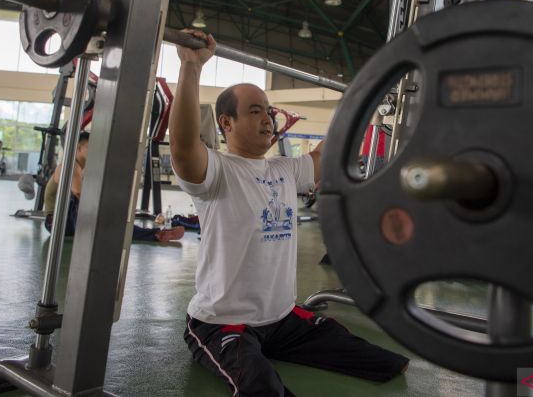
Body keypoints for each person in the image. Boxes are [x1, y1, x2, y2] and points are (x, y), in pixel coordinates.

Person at [171, 30, 409, 396]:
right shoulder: (217, 172)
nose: (267, 119)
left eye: (268, 111)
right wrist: (190, 67)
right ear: (227, 124)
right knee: (262, 389)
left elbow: (329, 153)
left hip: (281, 320)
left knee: (384, 363)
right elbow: (185, 146)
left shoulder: (283, 170)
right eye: (254, 111)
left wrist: (364, 98)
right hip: (223, 323)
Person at [43, 131, 185, 243]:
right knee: (105, 218)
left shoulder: (82, 169)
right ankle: (155, 234)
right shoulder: (70, 166)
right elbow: (81, 196)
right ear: (79, 148)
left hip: (68, 219)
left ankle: (156, 234)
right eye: (90, 147)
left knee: (110, 220)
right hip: (57, 222)